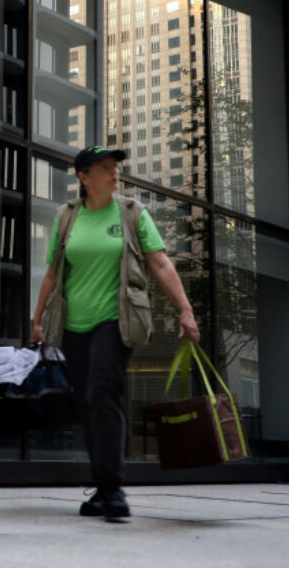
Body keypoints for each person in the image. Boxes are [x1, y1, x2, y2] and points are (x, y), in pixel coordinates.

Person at [30, 146, 200, 521]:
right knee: (88, 405)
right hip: (74, 326)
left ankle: (113, 489)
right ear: (83, 176)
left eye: (115, 167)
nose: (114, 172)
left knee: (102, 392)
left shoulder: (131, 213)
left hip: (115, 320)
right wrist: (37, 320)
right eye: (104, 167)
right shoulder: (66, 217)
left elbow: (160, 262)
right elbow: (54, 273)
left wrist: (185, 309)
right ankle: (104, 488)